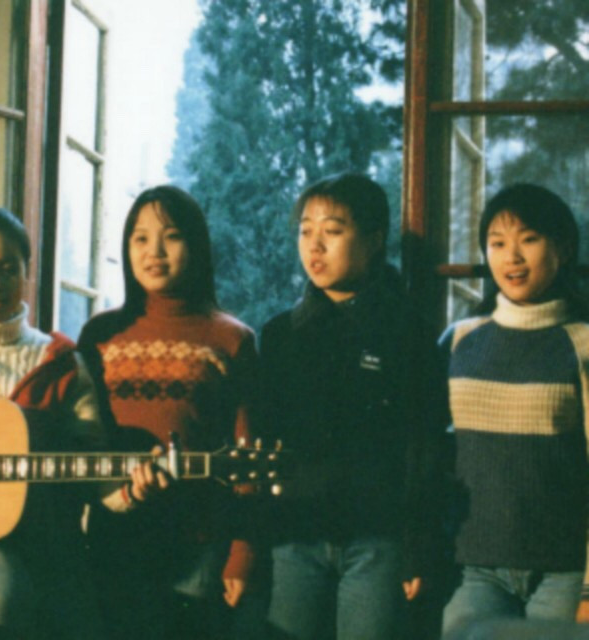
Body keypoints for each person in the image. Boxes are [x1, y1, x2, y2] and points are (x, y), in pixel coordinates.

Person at [260, 172, 442, 640]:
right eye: (306, 231)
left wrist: (417, 546)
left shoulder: (409, 331)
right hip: (295, 536)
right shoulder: (280, 335)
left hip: (378, 541)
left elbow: (423, 447)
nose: (315, 245)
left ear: (374, 240)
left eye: (333, 231)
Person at [77, 185, 258, 639]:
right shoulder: (99, 334)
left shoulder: (232, 338)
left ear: (196, 246)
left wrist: (242, 553)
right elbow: (79, 437)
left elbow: (249, 457)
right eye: (140, 238)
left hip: (200, 540)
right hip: (115, 537)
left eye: (171, 236)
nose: (154, 251)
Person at [0, 206, 109, 639]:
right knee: (0, 589)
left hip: (48, 549)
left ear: (26, 272)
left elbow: (94, 464)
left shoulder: (64, 363)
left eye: (7, 269)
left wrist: (130, 487)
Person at [440, 183, 589, 635]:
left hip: (564, 571)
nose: (512, 257)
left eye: (529, 239)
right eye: (498, 243)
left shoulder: (582, 343)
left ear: (562, 248)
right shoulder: (460, 340)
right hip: (475, 568)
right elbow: (425, 453)